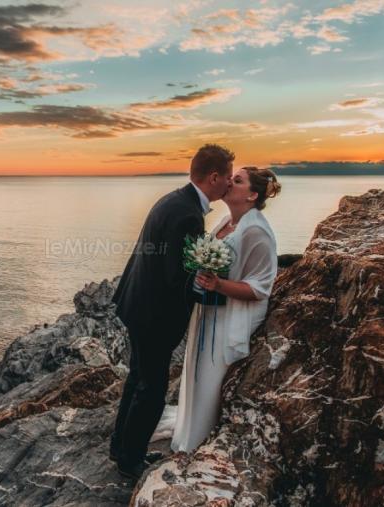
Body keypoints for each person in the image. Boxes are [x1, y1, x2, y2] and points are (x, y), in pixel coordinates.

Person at [109, 144, 234, 479]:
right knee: (152, 389)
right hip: (154, 316)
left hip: (136, 303)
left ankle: (120, 447)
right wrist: (211, 291)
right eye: (229, 178)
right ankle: (130, 459)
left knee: (137, 379)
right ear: (213, 177)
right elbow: (176, 277)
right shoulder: (188, 214)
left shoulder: (174, 200)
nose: (230, 184)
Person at [168, 166, 281, 453]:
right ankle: (189, 427)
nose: (230, 181)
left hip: (230, 313)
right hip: (209, 308)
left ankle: (200, 440)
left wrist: (218, 285)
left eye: (238, 180)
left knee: (210, 375)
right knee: (197, 368)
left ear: (252, 195)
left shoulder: (256, 230)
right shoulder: (225, 221)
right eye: (231, 177)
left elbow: (260, 288)